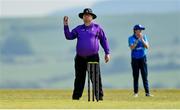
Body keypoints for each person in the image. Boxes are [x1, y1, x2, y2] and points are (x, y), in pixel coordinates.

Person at [63, 8, 110, 100]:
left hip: (93, 56)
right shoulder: (79, 29)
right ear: (82, 17)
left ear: (92, 17)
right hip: (80, 57)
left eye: (88, 15)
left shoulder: (97, 28)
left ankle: (99, 97)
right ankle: (76, 97)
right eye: (85, 15)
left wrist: (107, 53)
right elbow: (69, 36)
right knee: (79, 78)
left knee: (95, 77)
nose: (86, 16)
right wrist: (65, 25)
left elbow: (104, 40)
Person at [128, 24, 153, 97]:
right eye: (139, 30)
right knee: (135, 76)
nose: (141, 31)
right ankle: (136, 93)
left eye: (141, 30)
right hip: (135, 59)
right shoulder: (131, 38)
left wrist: (142, 40)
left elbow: (147, 46)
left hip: (143, 58)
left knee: (144, 75)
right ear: (135, 31)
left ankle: (147, 93)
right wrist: (137, 40)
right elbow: (132, 48)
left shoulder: (144, 37)